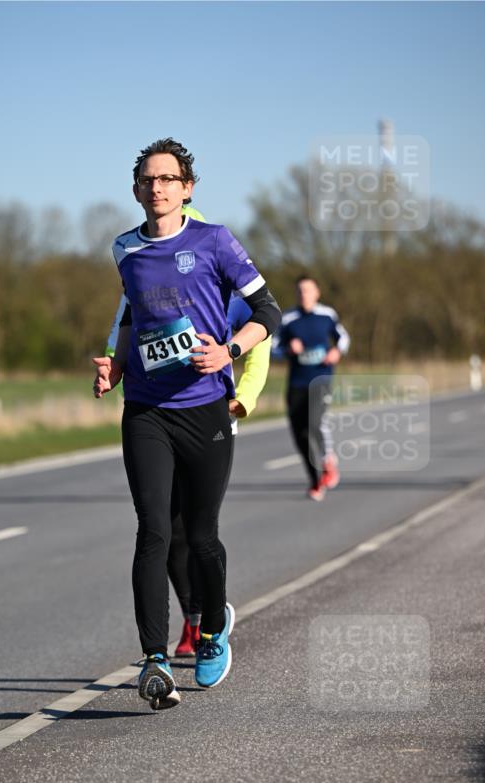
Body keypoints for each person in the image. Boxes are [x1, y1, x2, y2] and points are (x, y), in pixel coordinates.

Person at [93, 137, 281, 710]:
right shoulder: (125, 249)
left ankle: (212, 630)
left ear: (187, 188)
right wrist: (118, 364)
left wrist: (229, 351)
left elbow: (269, 311)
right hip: (147, 410)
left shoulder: (214, 240)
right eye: (149, 180)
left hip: (204, 408)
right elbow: (132, 316)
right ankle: (152, 659)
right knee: (153, 531)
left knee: (200, 536)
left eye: (168, 179)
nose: (158, 188)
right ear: (136, 190)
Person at [277, 276, 349, 500]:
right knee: (299, 433)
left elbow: (343, 337)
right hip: (297, 382)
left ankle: (328, 462)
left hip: (321, 379)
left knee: (315, 422)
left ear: (317, 293)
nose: (303, 295)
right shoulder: (288, 318)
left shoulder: (327, 315)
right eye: (299, 291)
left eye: (308, 291)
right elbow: (272, 347)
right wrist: (288, 348)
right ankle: (315, 480)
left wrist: (337, 351)